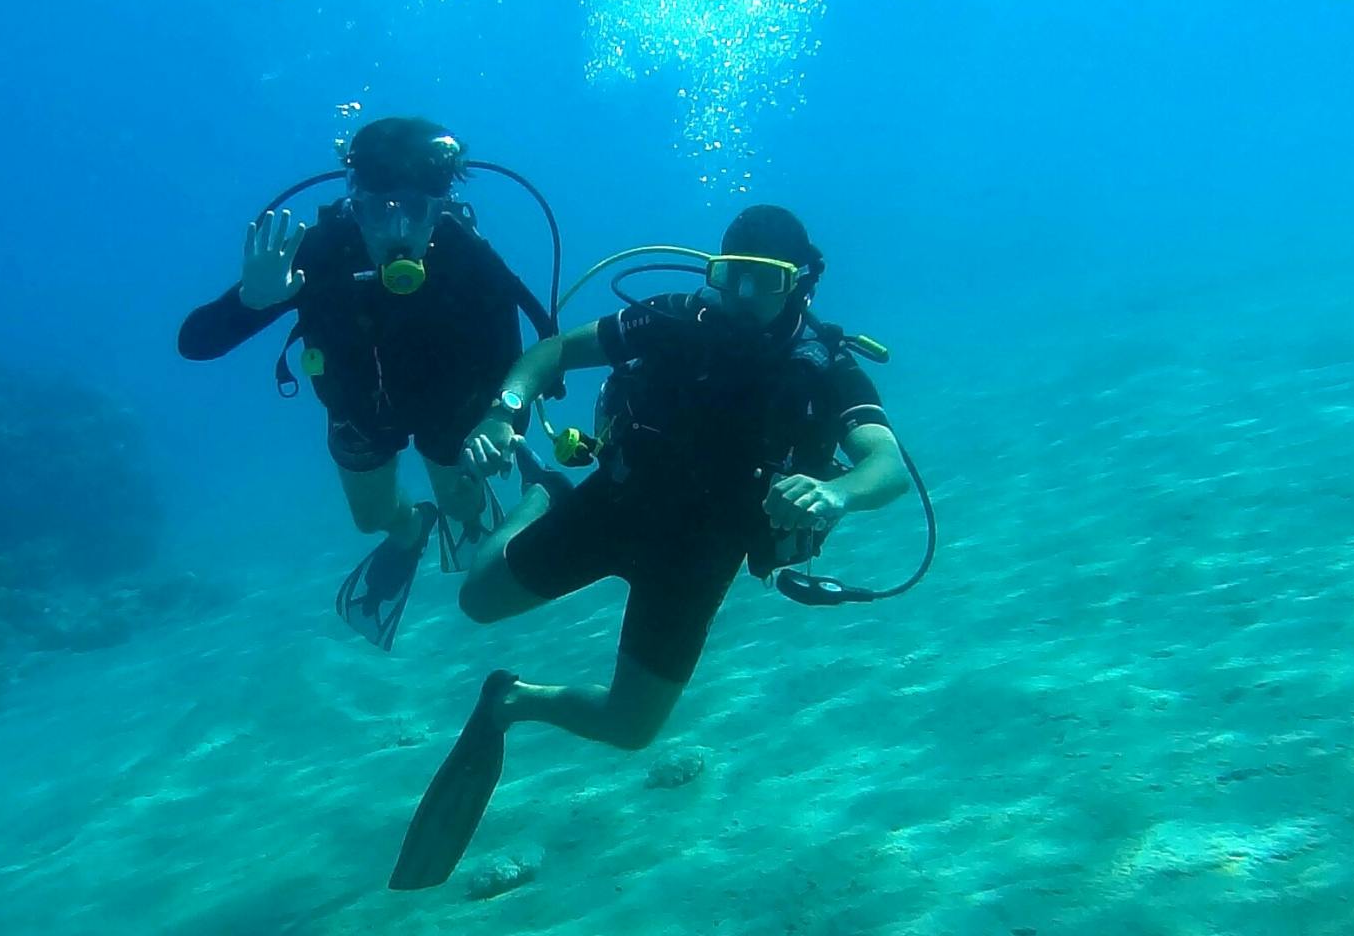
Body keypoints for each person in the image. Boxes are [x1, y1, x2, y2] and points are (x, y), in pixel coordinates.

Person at [388, 205, 914, 889]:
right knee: (477, 599)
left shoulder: (823, 366)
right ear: (716, 273)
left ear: (802, 283)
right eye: (734, 277)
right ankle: (541, 495)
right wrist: (506, 405)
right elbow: (556, 350)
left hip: (698, 560)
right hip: (615, 504)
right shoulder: (674, 319)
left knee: (631, 727)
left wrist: (839, 493)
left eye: (768, 281)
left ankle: (510, 699)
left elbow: (888, 464)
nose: (745, 297)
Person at [177, 117, 551, 650]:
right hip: (360, 407)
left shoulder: (468, 257)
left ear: (440, 208)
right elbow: (195, 344)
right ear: (355, 203)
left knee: (462, 502)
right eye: (378, 209)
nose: (396, 232)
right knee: (371, 518)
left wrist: (501, 417)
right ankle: (410, 530)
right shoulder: (318, 253)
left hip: (451, 406)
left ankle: (456, 513)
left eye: (417, 210)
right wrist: (250, 302)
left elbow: (520, 350)